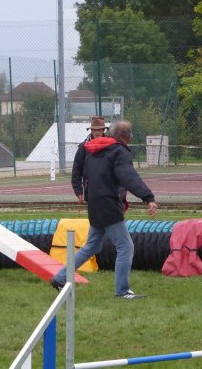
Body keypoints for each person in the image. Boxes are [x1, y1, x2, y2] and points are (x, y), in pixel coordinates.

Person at [51, 121, 159, 299]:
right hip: (109, 204)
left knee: (92, 246)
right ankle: (122, 291)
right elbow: (128, 177)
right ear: (127, 137)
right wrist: (148, 197)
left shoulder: (94, 150)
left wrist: (81, 192)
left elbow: (82, 173)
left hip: (94, 203)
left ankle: (60, 277)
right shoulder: (118, 151)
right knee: (125, 246)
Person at [71, 116, 107, 203]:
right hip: (90, 189)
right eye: (94, 130)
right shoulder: (83, 148)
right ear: (91, 130)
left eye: (99, 130)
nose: (97, 132)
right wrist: (78, 191)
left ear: (103, 130)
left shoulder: (111, 146)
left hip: (108, 189)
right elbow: (77, 170)